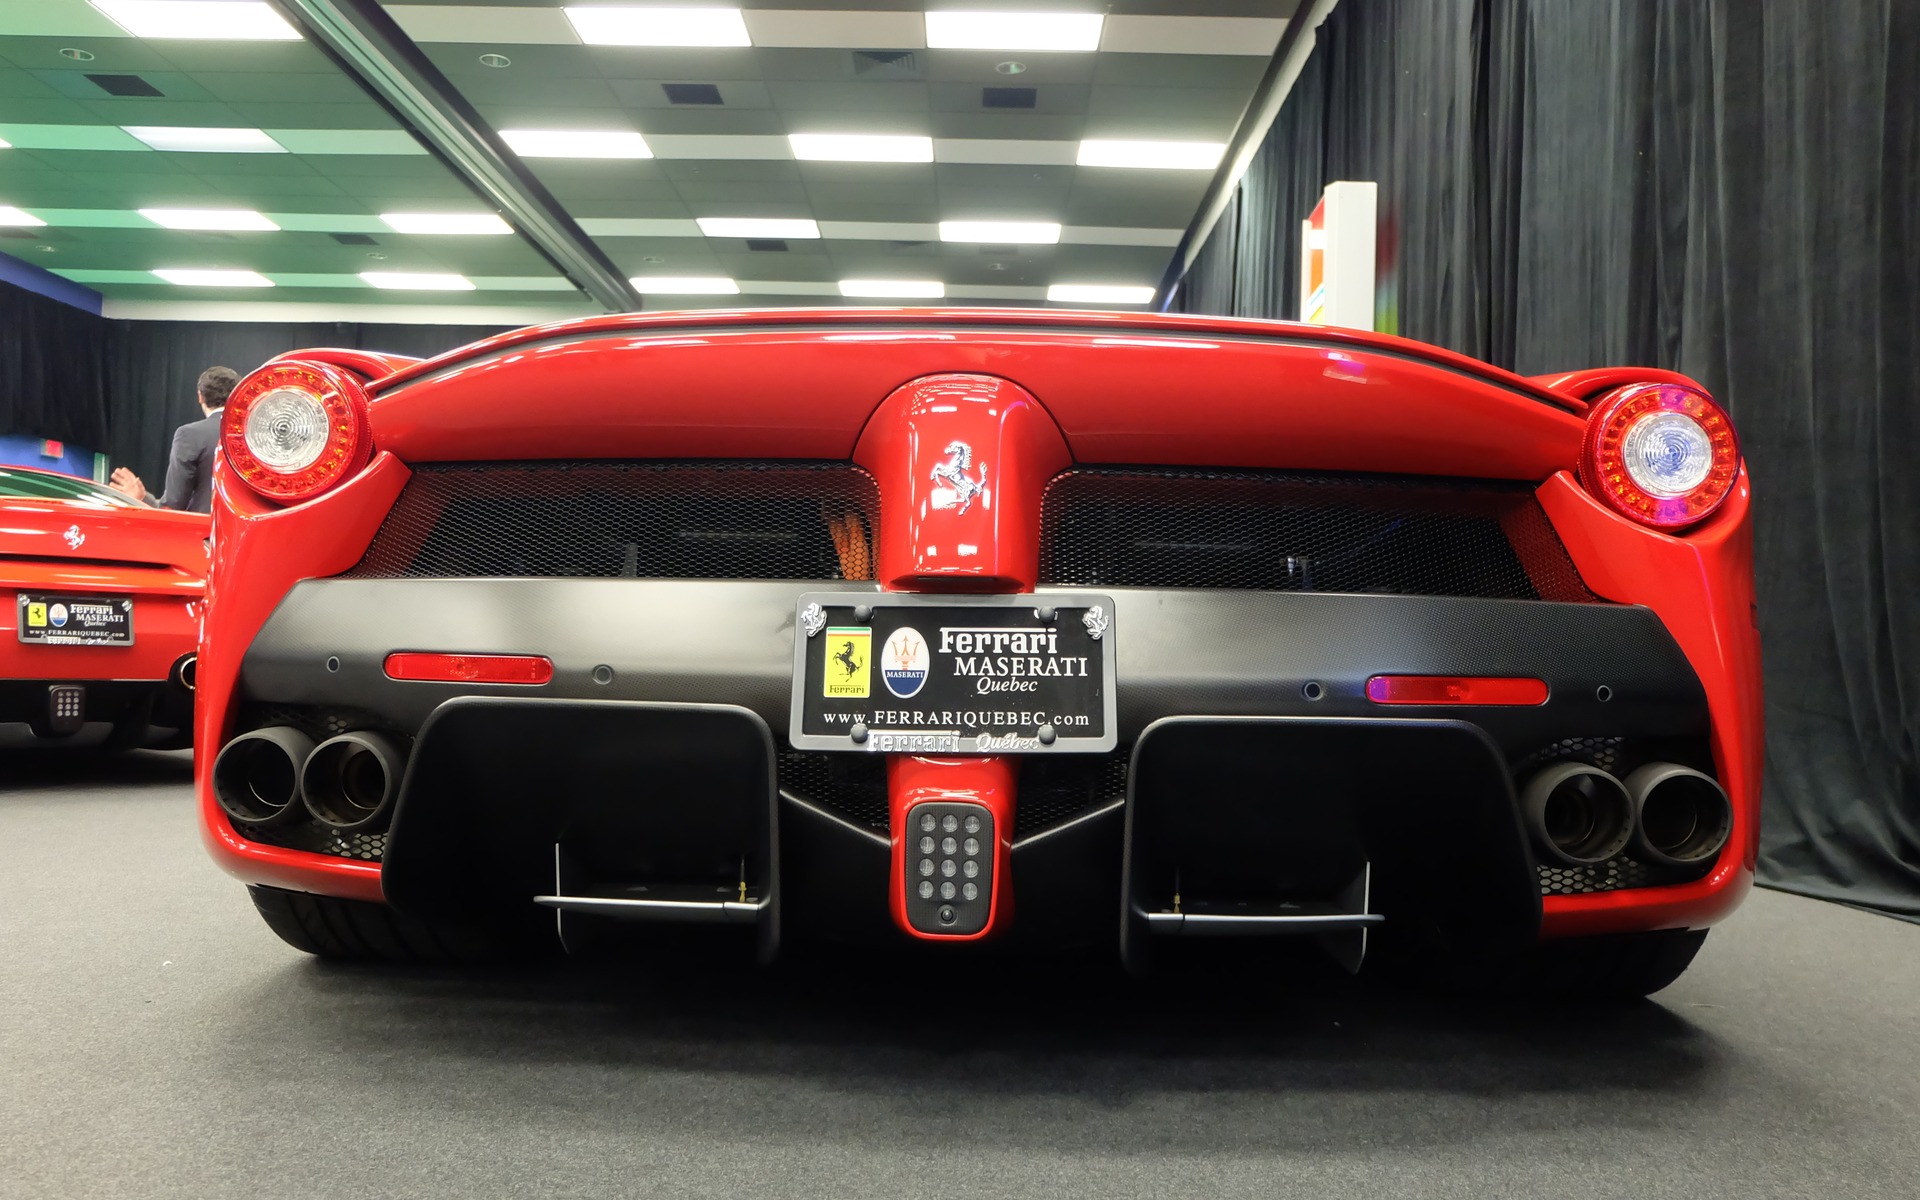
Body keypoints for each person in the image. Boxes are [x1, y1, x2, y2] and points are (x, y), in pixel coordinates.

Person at [109, 366, 239, 515]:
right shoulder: (253, 437)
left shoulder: (190, 435)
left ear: (200, 396)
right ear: (237, 395)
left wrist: (141, 498)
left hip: (206, 532)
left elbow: (174, 505)